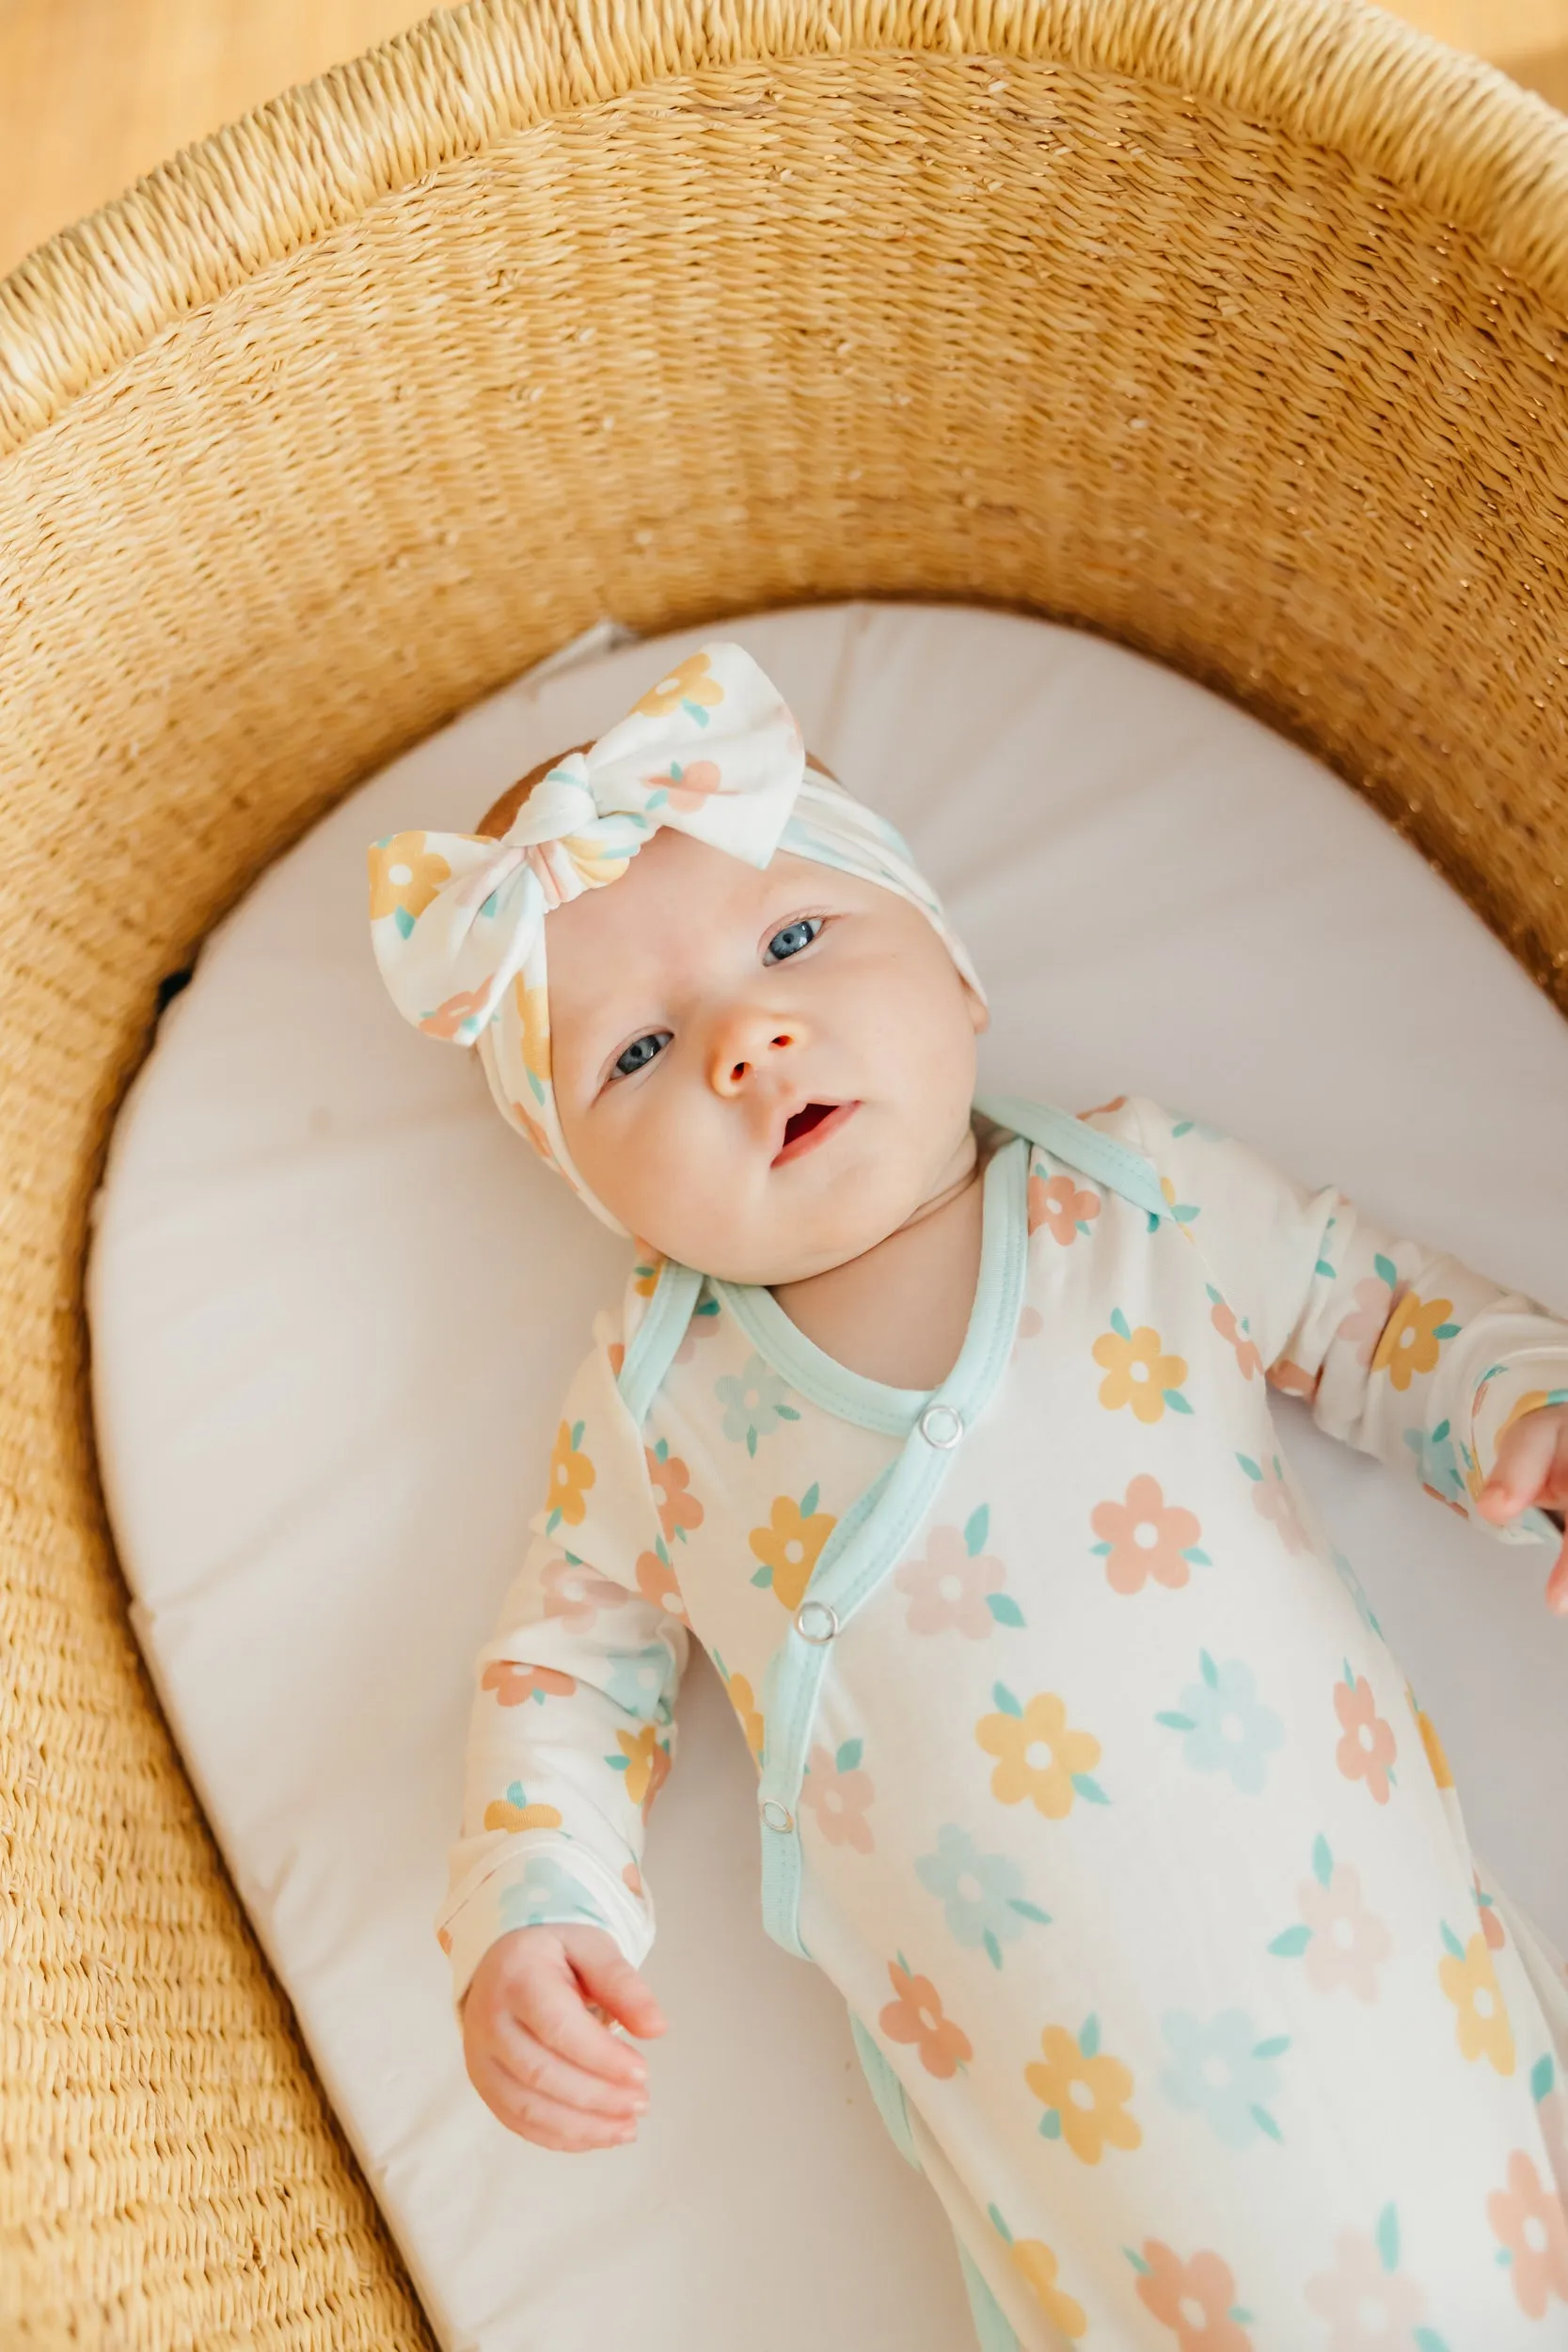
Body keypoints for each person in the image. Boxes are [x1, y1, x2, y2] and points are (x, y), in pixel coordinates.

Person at [369, 641, 1568, 2347]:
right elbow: (569, 1667)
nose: (744, 1038)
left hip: (1393, 2009)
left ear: (958, 974)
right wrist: (534, 1903)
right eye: (633, 1054)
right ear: (594, 1192)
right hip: (1085, 2161)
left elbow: (1371, 1313)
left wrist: (1525, 1416)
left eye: (792, 940)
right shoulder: (659, 1406)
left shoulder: (1136, 1197)